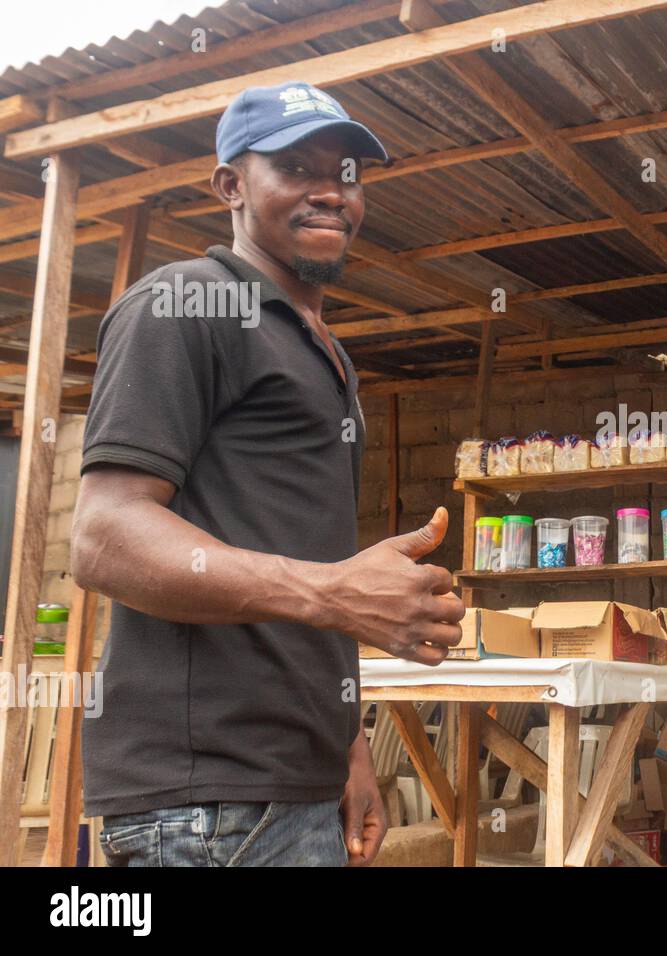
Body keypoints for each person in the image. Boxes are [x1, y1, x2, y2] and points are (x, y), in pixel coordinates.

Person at [70, 82, 465, 867]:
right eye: (294, 167)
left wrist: (347, 751)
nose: (330, 191)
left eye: (347, 172)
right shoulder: (184, 304)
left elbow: (310, 571)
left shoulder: (325, 351)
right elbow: (102, 536)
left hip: (293, 792)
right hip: (205, 806)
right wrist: (333, 592)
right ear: (230, 186)